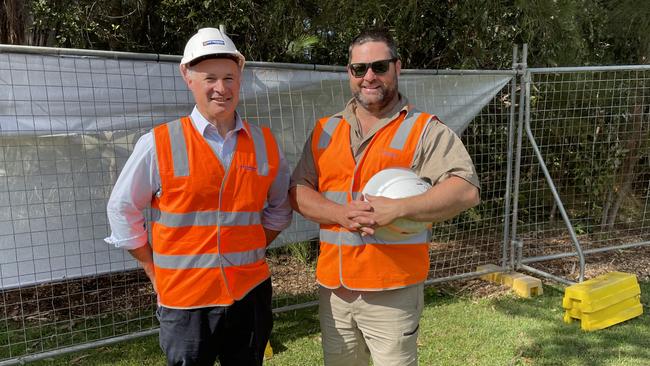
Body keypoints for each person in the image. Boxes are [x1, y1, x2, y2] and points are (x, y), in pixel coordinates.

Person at [289, 28, 480, 366]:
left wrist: (401, 207)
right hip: (335, 292)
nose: (369, 77)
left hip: (392, 292)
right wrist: (339, 214)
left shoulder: (423, 129)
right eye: (359, 69)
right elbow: (299, 190)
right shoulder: (326, 130)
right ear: (349, 73)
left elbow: (465, 190)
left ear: (397, 67)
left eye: (379, 66)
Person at [105, 27, 292, 366]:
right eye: (210, 78)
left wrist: (249, 245)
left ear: (240, 79)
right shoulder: (159, 143)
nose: (221, 89)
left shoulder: (265, 143)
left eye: (230, 78)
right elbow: (121, 209)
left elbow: (280, 207)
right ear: (187, 77)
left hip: (249, 296)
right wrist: (152, 268)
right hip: (184, 301)